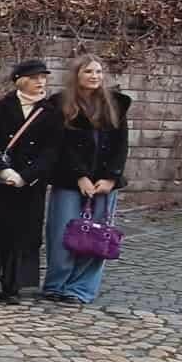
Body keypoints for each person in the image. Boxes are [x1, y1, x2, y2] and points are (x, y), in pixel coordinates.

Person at [0, 59, 61, 304]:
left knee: (22, 233)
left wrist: (25, 176)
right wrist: (4, 171)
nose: (40, 82)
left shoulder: (51, 112)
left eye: (43, 77)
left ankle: (12, 284)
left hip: (29, 184)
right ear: (20, 80)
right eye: (35, 77)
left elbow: (51, 151)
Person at [42, 54, 131, 305]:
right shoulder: (60, 104)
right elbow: (60, 144)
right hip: (69, 180)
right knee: (62, 233)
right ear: (77, 75)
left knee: (97, 236)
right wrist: (79, 176)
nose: (95, 76)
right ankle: (56, 284)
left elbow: (121, 144)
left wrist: (110, 178)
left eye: (98, 72)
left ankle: (80, 289)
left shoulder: (116, 104)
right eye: (88, 71)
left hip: (104, 182)